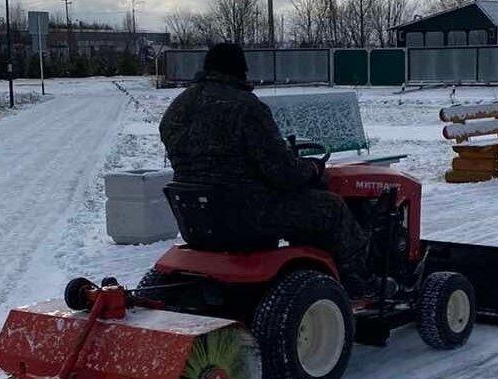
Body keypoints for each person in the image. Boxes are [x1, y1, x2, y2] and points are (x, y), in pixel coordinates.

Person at [160, 42, 373, 295]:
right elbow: (283, 173)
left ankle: (312, 269)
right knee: (332, 208)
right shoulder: (246, 108)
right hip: (248, 214)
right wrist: (314, 169)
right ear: (240, 70)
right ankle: (359, 283)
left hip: (199, 217)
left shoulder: (178, 106)